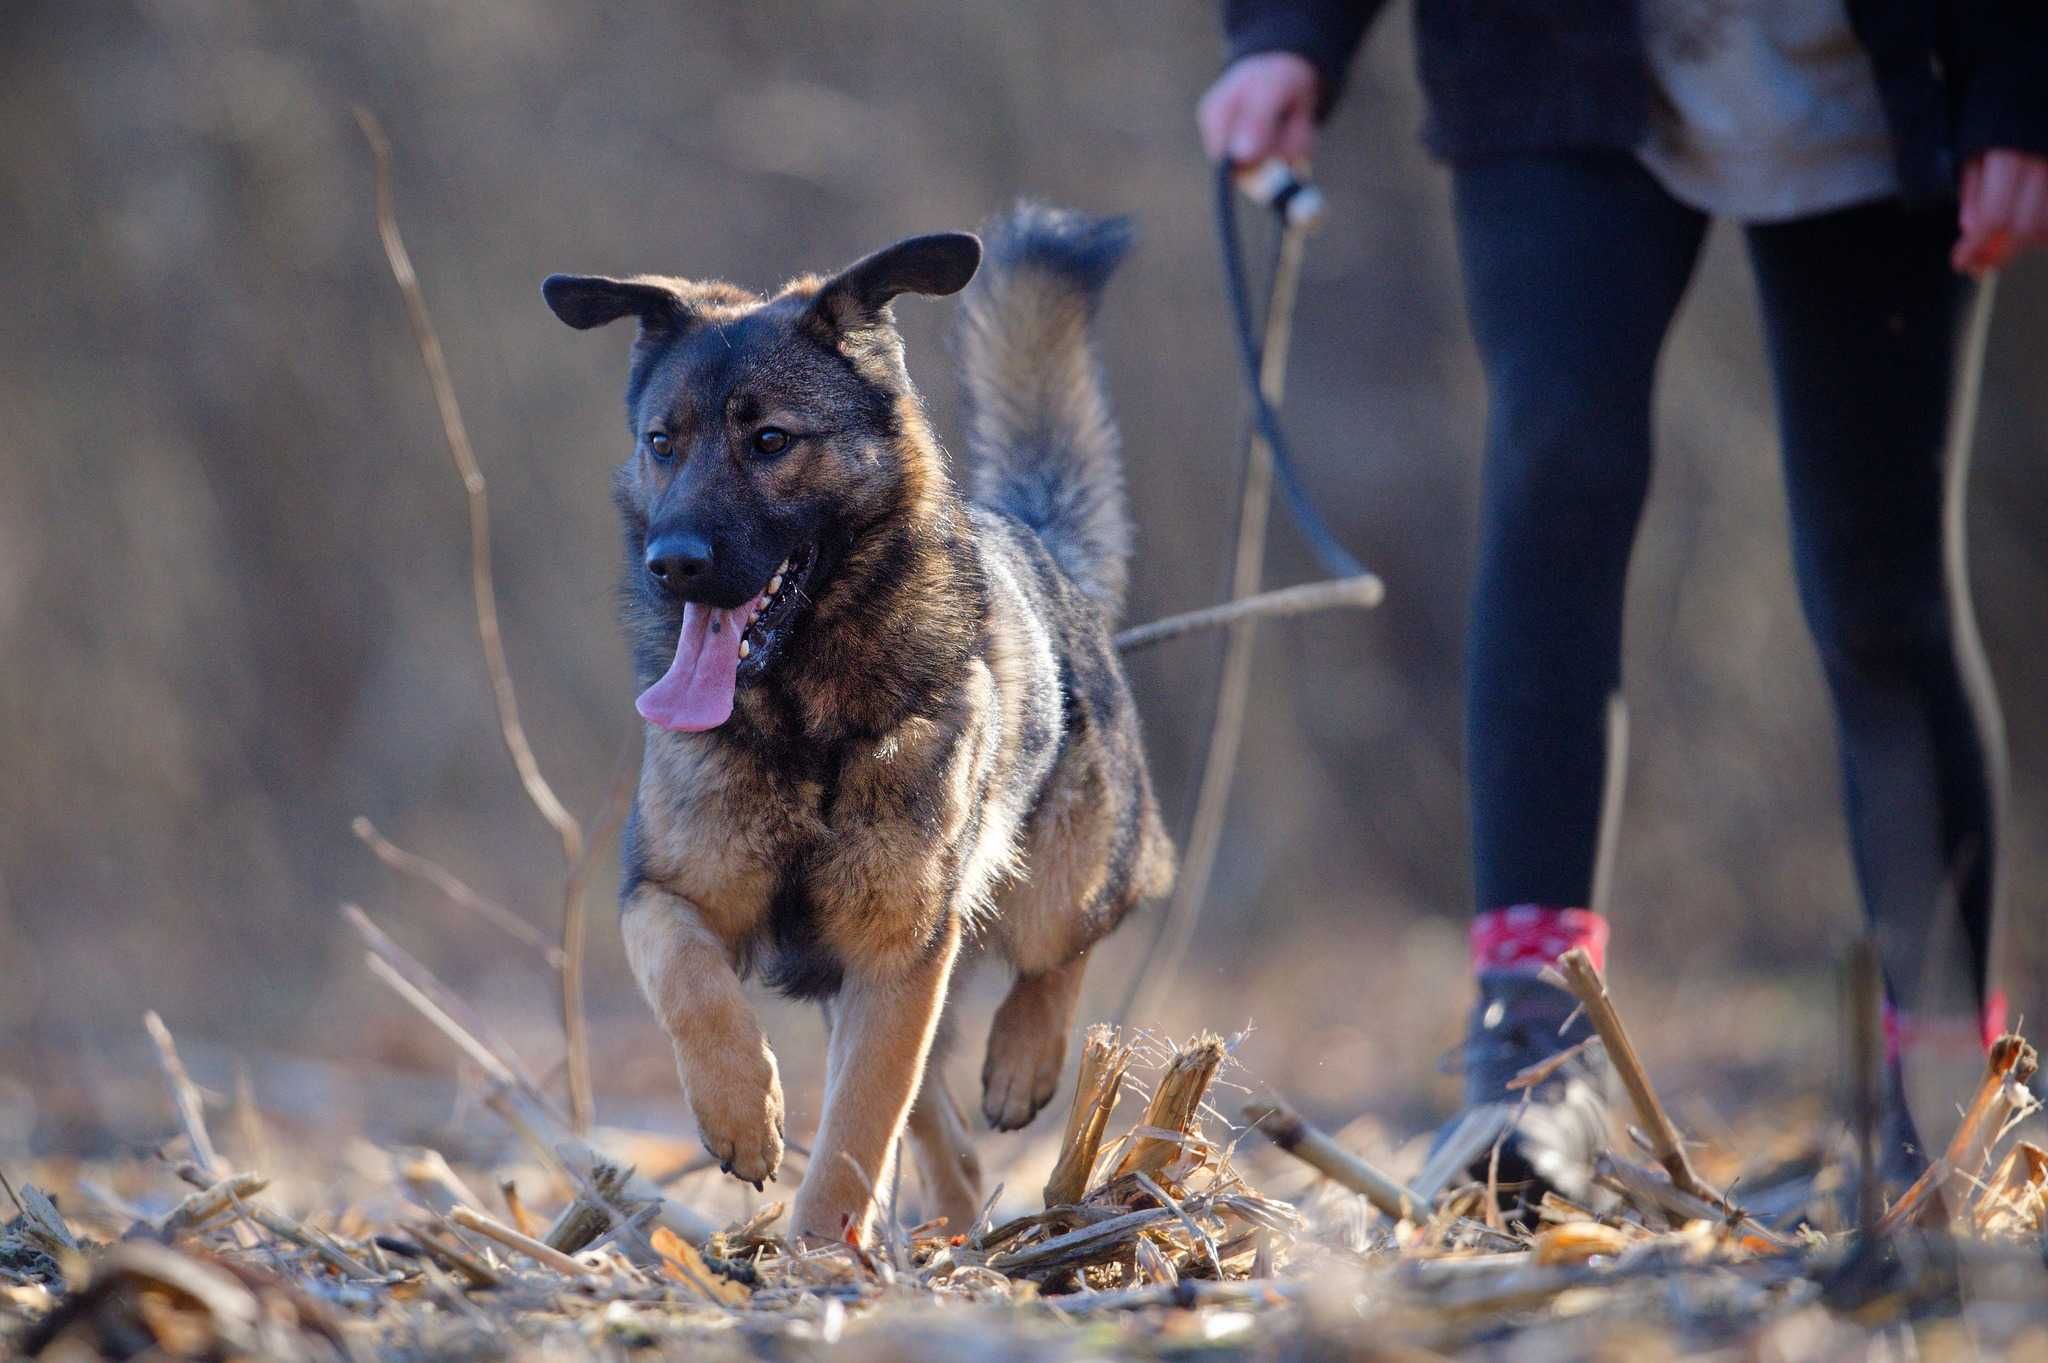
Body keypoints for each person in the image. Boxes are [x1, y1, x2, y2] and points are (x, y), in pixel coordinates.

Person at [1200, 1, 2048, 1205]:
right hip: (1550, 53)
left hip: (1868, 67)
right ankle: (1529, 1051)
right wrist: (1291, 33)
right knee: (1553, 461)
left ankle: (1949, 1078)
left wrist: (2018, 77)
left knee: (1880, 585)